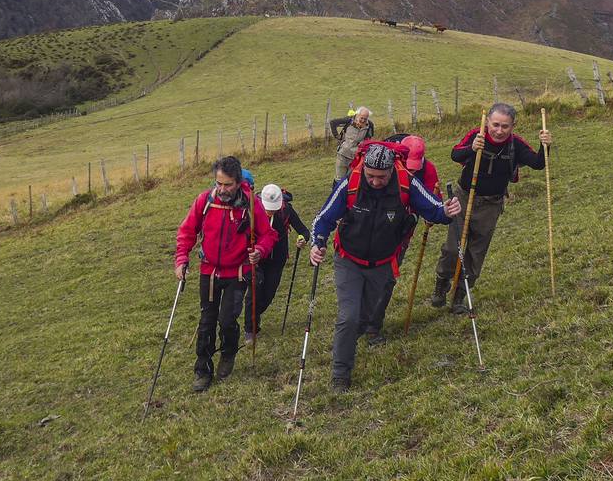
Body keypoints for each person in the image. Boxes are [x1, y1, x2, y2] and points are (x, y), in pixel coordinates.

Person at [310, 142, 462, 391]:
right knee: (348, 317)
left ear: (392, 170)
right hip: (348, 259)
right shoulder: (352, 182)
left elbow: (433, 210)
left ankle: (355, 335)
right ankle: (340, 374)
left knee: (366, 316)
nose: (375, 181)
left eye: (381, 177)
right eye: (370, 176)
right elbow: (323, 218)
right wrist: (317, 243)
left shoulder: (406, 183)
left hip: (382, 263)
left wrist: (446, 211)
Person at [432, 103, 551, 313]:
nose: (499, 130)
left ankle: (460, 296)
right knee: (453, 247)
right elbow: (455, 155)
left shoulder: (516, 145)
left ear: (512, 126)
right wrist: (472, 148)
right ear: (488, 122)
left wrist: (545, 146)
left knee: (476, 253)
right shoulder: (476, 136)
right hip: (464, 197)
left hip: (491, 204)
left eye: (505, 126)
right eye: (495, 125)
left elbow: (538, 163)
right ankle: (442, 281)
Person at [174, 156, 277, 392]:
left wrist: (260, 251)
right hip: (209, 272)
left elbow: (268, 235)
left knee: (227, 321)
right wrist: (181, 259)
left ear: (238, 181)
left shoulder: (251, 203)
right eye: (218, 183)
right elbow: (187, 231)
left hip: (238, 273)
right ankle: (202, 370)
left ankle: (228, 354)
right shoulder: (204, 201)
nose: (222, 189)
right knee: (206, 322)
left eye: (227, 184)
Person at [359, 134, 442, 342]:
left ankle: (373, 328)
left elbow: (434, 203)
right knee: (361, 278)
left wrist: (433, 213)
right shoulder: (385, 169)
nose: (411, 171)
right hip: (369, 231)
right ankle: (356, 321)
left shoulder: (428, 170)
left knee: (386, 280)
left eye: (416, 166)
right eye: (408, 166)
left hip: (401, 235)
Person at [242, 183, 311, 342]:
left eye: (273, 208)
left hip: (277, 260)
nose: (270, 211)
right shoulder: (252, 209)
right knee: (254, 292)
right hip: (256, 258)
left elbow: (304, 231)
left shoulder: (286, 210)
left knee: (267, 296)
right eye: (268, 208)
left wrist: (302, 239)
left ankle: (253, 316)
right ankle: (250, 329)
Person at [329, 107, 374, 180]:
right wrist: (337, 136)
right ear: (358, 115)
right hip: (342, 155)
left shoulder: (370, 125)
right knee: (339, 179)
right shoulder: (348, 120)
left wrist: (363, 147)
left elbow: (369, 138)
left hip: (355, 157)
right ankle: (335, 190)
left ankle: (348, 191)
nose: (363, 120)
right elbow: (333, 122)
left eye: (365, 119)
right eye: (361, 118)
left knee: (350, 178)